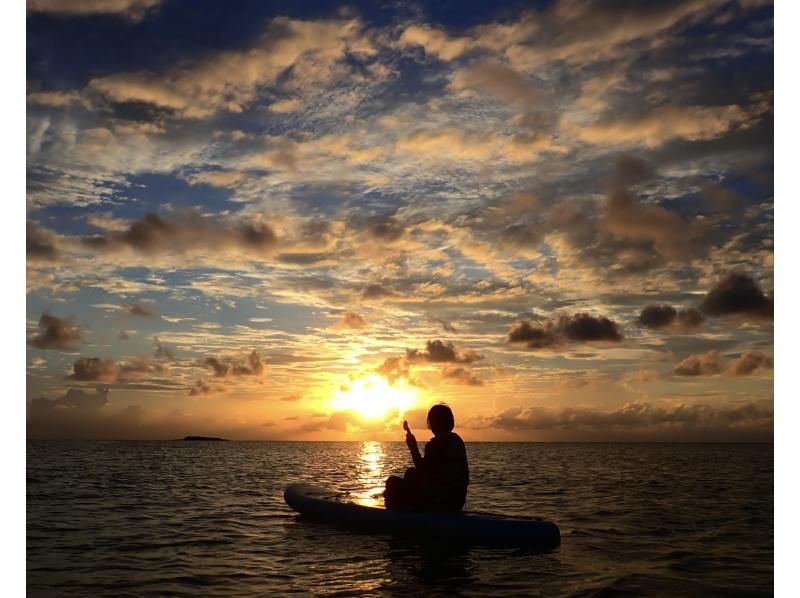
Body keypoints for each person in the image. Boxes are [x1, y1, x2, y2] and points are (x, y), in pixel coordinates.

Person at [384, 403, 469, 512]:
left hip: (439, 502)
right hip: (457, 502)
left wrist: (413, 447)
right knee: (410, 473)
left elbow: (422, 469)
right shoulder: (457, 440)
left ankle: (396, 517)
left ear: (433, 423)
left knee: (392, 482)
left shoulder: (437, 443)